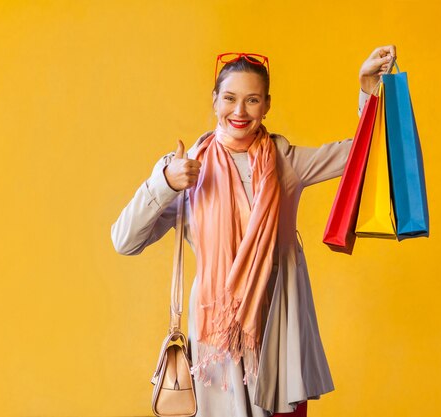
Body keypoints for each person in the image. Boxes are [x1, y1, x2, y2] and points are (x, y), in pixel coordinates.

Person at [112, 46, 397, 417]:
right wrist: (165, 181)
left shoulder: (285, 162)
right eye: (229, 98)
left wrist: (367, 90)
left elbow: (362, 153)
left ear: (267, 105)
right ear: (214, 100)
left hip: (276, 326)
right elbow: (125, 240)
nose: (240, 111)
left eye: (252, 100)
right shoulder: (187, 169)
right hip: (215, 341)